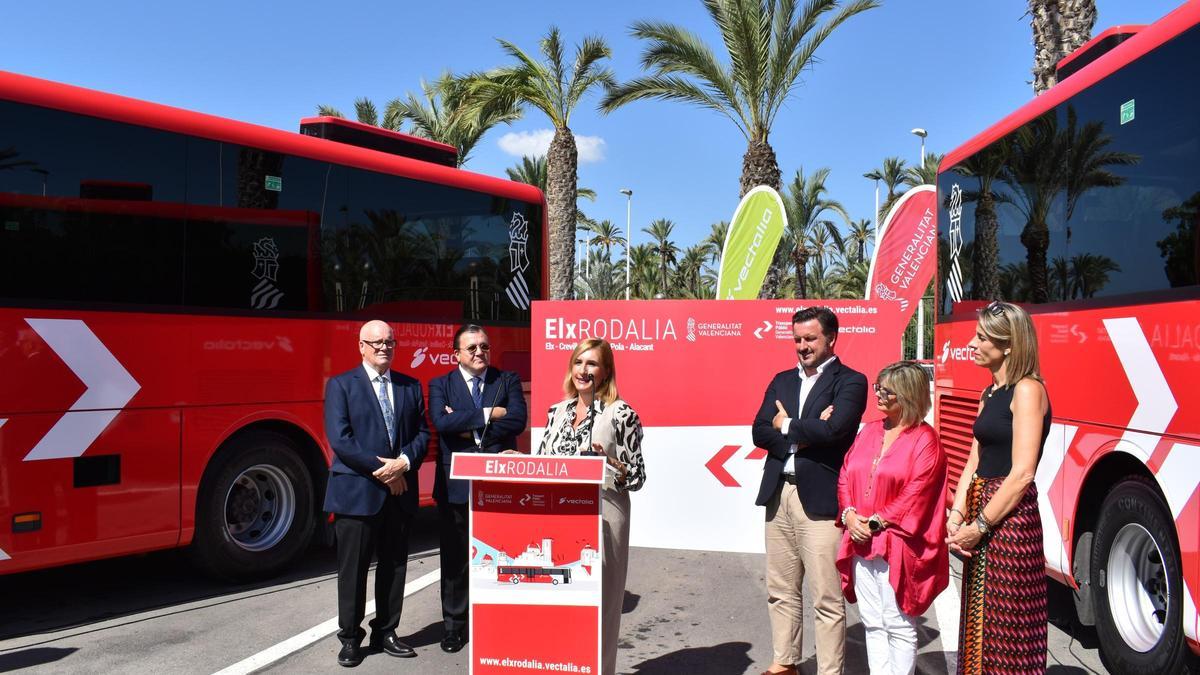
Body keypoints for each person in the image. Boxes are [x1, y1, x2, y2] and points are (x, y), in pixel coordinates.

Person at [752, 306, 868, 675]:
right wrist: (805, 430)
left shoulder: (850, 381)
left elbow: (836, 432)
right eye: (797, 339)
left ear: (831, 338)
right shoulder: (781, 380)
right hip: (778, 495)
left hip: (820, 500)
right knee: (781, 590)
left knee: (826, 598)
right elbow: (758, 431)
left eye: (810, 339)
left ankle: (829, 671)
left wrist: (786, 425)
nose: (802, 346)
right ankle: (785, 662)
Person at [946, 300, 1051, 674]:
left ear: (1008, 345)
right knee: (979, 624)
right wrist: (957, 513)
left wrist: (980, 526)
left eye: (981, 337)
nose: (972, 343)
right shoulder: (989, 393)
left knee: (1008, 627)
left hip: (1010, 519)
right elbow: (975, 459)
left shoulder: (1027, 390)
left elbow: (1022, 472)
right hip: (981, 506)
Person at [534, 338, 645, 675]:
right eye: (579, 362)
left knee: (602, 606)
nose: (583, 370)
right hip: (559, 518)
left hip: (604, 516)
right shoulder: (557, 411)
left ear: (606, 370)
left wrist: (609, 462)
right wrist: (518, 461)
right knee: (562, 606)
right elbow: (543, 462)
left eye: (592, 364)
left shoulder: (621, 413)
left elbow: (637, 477)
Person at [323, 319, 430, 668]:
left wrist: (403, 462)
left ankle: (386, 632)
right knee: (352, 570)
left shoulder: (410, 386)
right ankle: (351, 639)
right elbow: (341, 440)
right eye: (376, 342)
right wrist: (385, 472)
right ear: (361, 346)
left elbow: (421, 435)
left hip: (399, 492)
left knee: (395, 565)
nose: (384, 347)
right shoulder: (341, 385)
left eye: (389, 341)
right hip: (357, 492)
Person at [835, 361, 948, 675]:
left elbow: (918, 492)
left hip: (896, 543)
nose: (879, 396)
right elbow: (846, 474)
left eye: (888, 391)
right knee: (872, 623)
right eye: (878, 387)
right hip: (860, 539)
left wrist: (873, 523)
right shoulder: (870, 429)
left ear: (909, 396)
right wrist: (849, 515)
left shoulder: (925, 439)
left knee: (898, 623)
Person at [428, 324, 528, 654]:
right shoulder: (440, 385)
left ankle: (498, 621)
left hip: (499, 483)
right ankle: (454, 626)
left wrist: (464, 417)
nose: (479, 353)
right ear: (455, 353)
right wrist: (489, 413)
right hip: (455, 484)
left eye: (484, 347)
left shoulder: (506, 380)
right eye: (471, 348)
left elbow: (517, 421)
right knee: (455, 558)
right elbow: (442, 424)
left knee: (501, 556)